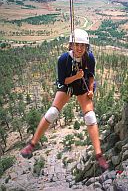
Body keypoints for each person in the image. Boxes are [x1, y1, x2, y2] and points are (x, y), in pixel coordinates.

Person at [21, 28, 108, 171]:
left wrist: (91, 90)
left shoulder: (90, 58)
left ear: (87, 46)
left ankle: (99, 155)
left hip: (82, 85)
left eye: (82, 45)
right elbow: (64, 81)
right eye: (76, 45)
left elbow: (91, 76)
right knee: (52, 113)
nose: (79, 48)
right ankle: (32, 144)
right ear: (71, 45)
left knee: (90, 117)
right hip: (68, 84)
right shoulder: (63, 60)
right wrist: (76, 76)